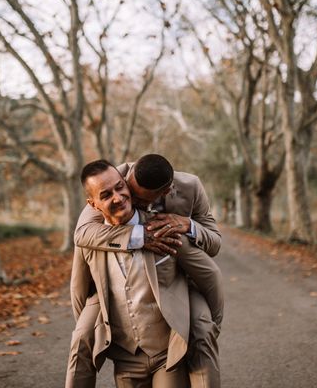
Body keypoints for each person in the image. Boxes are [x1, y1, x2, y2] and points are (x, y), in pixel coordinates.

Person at [67, 155, 223, 388]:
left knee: (202, 327)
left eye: (139, 198)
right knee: (81, 336)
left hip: (177, 281)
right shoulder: (112, 178)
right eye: (129, 189)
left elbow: (213, 248)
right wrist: (138, 237)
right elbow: (82, 235)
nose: (126, 199)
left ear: (165, 191)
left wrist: (188, 225)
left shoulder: (190, 187)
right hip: (115, 282)